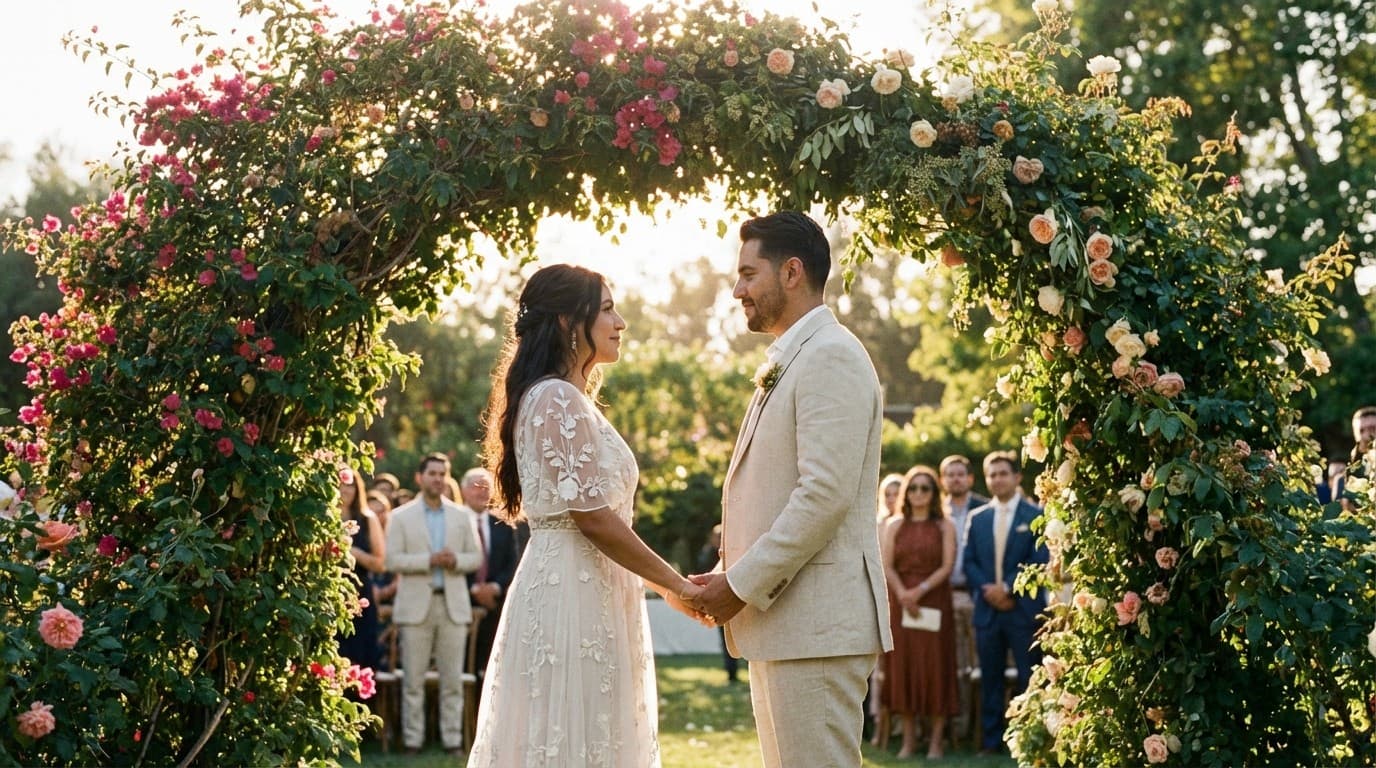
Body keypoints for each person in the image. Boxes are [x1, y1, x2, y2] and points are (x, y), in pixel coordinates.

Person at [468, 264, 705, 767]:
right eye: (607, 309)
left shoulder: (566, 398)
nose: (621, 322)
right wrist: (675, 586)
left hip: (589, 587)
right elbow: (593, 518)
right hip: (570, 594)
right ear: (564, 321)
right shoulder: (555, 397)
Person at [688, 211, 892, 768]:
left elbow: (823, 497)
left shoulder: (832, 355)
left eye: (749, 274)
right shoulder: (796, 355)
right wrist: (733, 573)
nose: (737, 291)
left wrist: (742, 584)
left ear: (792, 272)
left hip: (817, 628)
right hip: (787, 625)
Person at [384, 452, 483, 756]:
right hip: (416, 607)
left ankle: (452, 742)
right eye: (432, 473)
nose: (438, 479)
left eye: (443, 473)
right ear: (420, 477)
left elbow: (476, 558)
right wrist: (429, 560)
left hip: (452, 606)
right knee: (412, 680)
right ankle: (413, 741)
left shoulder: (461, 515)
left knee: (452, 680)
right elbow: (391, 560)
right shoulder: (400, 516)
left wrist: (455, 560)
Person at [962, 450, 1048, 756]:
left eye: (1003, 473)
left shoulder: (1035, 516)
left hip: (1023, 611)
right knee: (991, 678)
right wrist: (989, 590)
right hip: (988, 611)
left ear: (1016, 477)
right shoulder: (977, 518)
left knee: (1030, 677)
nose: (997, 479)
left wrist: (1009, 588)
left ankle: (1030, 741)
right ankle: (990, 742)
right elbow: (969, 561)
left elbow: (1039, 559)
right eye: (992, 474)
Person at [880, 465, 959, 758]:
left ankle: (936, 742)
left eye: (925, 488)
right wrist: (902, 593)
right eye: (913, 488)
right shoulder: (894, 525)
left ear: (934, 493)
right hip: (901, 605)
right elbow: (886, 565)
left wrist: (919, 591)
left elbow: (947, 566)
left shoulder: (945, 526)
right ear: (906, 493)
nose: (918, 493)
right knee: (904, 670)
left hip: (934, 600)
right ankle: (909, 741)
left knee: (935, 669)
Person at [459, 466, 522, 684]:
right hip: (460, 603)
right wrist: (473, 589)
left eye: (486, 488)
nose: (481, 492)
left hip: (495, 605)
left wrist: (494, 587)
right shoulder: (454, 520)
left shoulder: (502, 523)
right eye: (476, 487)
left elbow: (512, 562)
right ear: (464, 490)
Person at [867, 471, 904, 745]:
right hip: (878, 598)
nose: (892, 499)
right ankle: (877, 722)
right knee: (877, 668)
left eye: (897, 493)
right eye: (888, 493)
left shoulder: (905, 524)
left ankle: (900, 724)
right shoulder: (875, 523)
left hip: (902, 599)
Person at [337, 469, 386, 671]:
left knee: (361, 658)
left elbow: (380, 563)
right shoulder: (321, 517)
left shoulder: (367, 519)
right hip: (329, 594)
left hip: (359, 594)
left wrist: (354, 552)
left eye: (349, 485)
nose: (345, 489)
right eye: (340, 483)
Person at [696, 524, 740, 684]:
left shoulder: (733, 550)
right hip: (716, 597)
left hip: (736, 595)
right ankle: (731, 672)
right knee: (725, 636)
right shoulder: (708, 553)